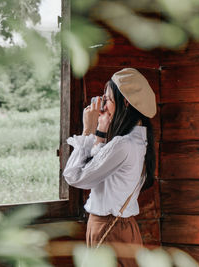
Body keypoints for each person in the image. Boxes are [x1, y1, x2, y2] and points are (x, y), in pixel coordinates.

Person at [63, 68, 156, 267]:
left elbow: (75, 177)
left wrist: (87, 130)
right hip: (123, 227)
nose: (103, 106)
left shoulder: (122, 144)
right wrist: (100, 132)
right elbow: (100, 166)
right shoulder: (139, 139)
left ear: (126, 102)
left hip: (108, 228)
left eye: (107, 100)